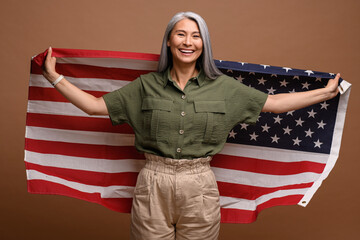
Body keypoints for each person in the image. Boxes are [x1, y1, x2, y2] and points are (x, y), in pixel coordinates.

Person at [42, 11, 340, 240]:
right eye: (181, 34)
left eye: (196, 36)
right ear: (169, 41)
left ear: (204, 43)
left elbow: (273, 104)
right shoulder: (145, 86)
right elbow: (94, 106)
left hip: (199, 184)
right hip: (152, 183)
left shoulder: (224, 88)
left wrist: (324, 93)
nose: (188, 42)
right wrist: (54, 77)